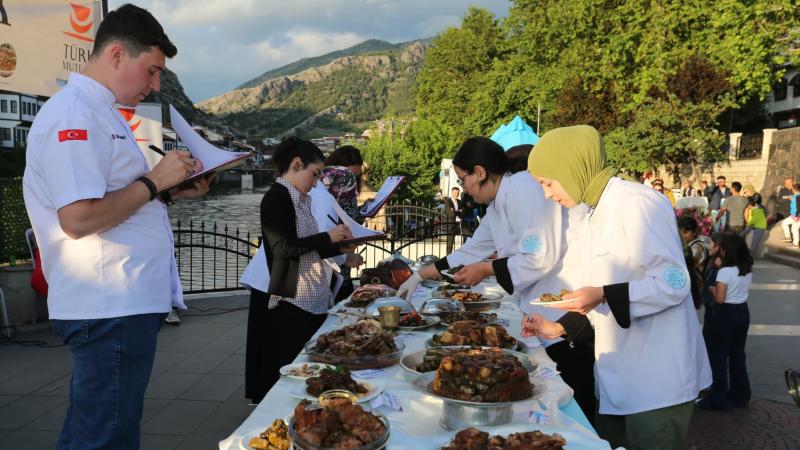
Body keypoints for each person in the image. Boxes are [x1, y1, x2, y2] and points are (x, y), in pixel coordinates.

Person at [22, 5, 213, 449]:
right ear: (114, 56)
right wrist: (155, 179)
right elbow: (79, 218)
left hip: (120, 302)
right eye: (151, 71)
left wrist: (171, 191)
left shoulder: (102, 112)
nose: (155, 84)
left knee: (94, 429)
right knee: (106, 437)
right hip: (108, 303)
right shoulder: (75, 115)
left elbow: (112, 198)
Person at [525, 125, 711, 450]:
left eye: (548, 182)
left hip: (657, 380)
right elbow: (600, 294)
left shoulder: (638, 202)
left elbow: (674, 281)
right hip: (617, 376)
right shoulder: (590, 214)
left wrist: (602, 294)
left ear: (574, 167)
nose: (547, 194)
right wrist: (559, 327)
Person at [396, 137, 597, 419]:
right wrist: (420, 275)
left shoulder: (523, 190)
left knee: (572, 402)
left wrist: (487, 269)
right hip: (539, 312)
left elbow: (540, 257)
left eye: (463, 179)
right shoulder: (497, 205)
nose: (463, 188)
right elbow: (471, 250)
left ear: (480, 172)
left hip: (564, 311)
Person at [245, 137, 355, 404]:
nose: (316, 182)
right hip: (291, 298)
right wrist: (329, 238)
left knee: (305, 364)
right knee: (291, 367)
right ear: (296, 165)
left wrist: (339, 250)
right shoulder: (277, 198)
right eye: (314, 174)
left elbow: (305, 245)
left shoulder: (299, 197)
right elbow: (283, 248)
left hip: (308, 297)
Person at [696, 233, 753, 410]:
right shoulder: (747, 268)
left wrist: (713, 289)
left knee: (718, 356)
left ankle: (717, 397)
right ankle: (740, 394)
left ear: (725, 250)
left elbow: (720, 299)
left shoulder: (724, 272)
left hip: (725, 313)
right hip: (742, 312)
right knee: (737, 355)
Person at [320, 145, 369, 301]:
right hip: (330, 266)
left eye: (355, 177)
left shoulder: (346, 194)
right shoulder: (323, 197)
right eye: (348, 175)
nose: (351, 182)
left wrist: (365, 210)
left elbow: (350, 219)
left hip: (342, 263)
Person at [677, 215, 708, 308]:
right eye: (680, 232)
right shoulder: (686, 245)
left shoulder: (698, 247)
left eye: (685, 232)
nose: (682, 235)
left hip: (695, 287)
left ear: (694, 233)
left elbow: (686, 263)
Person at [443, 186, 463, 253]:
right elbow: (450, 213)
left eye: (457, 193)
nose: (456, 194)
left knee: (461, 243)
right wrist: (458, 211)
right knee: (450, 244)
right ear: (451, 193)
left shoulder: (460, 202)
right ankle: (448, 259)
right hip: (451, 224)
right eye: (455, 193)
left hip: (458, 224)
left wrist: (455, 211)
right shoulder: (448, 201)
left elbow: (463, 212)